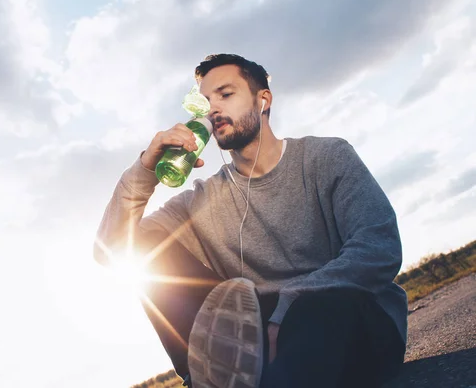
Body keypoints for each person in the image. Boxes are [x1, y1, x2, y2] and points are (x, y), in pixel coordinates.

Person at [93, 54, 407, 388]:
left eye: (225, 94)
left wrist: (288, 306)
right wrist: (145, 169)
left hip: (344, 317)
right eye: (205, 101)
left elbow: (378, 248)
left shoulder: (326, 157)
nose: (212, 109)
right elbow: (111, 251)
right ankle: (203, 374)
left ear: (263, 100)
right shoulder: (201, 199)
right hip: (259, 339)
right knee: (150, 252)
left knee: (318, 312)